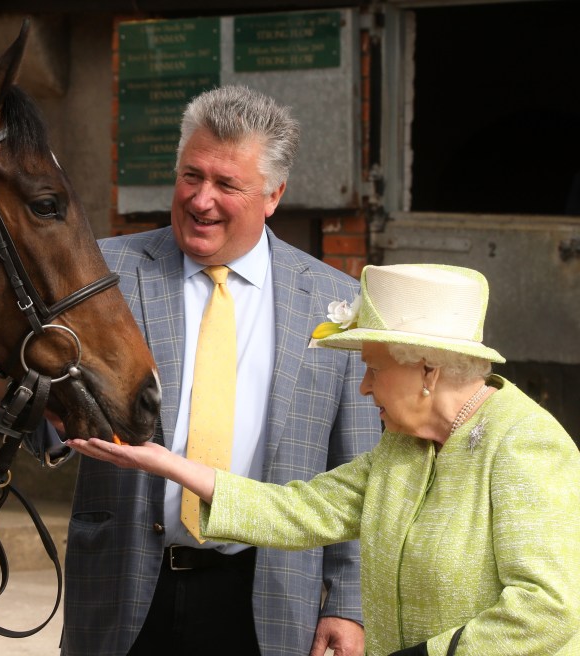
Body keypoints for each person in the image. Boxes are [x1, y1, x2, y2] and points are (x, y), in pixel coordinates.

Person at [68, 263, 580, 655]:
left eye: (373, 370)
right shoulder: (404, 448)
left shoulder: (524, 445)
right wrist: (167, 464)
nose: (362, 387)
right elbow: (301, 509)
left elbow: (549, 608)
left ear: (427, 370)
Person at [60, 85, 380, 656]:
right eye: (191, 176)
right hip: (127, 582)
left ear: (273, 194)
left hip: (270, 594)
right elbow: (43, 407)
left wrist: (347, 604)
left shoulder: (336, 304)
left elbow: (355, 474)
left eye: (227, 184)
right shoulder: (103, 272)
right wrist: (54, 421)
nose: (201, 199)